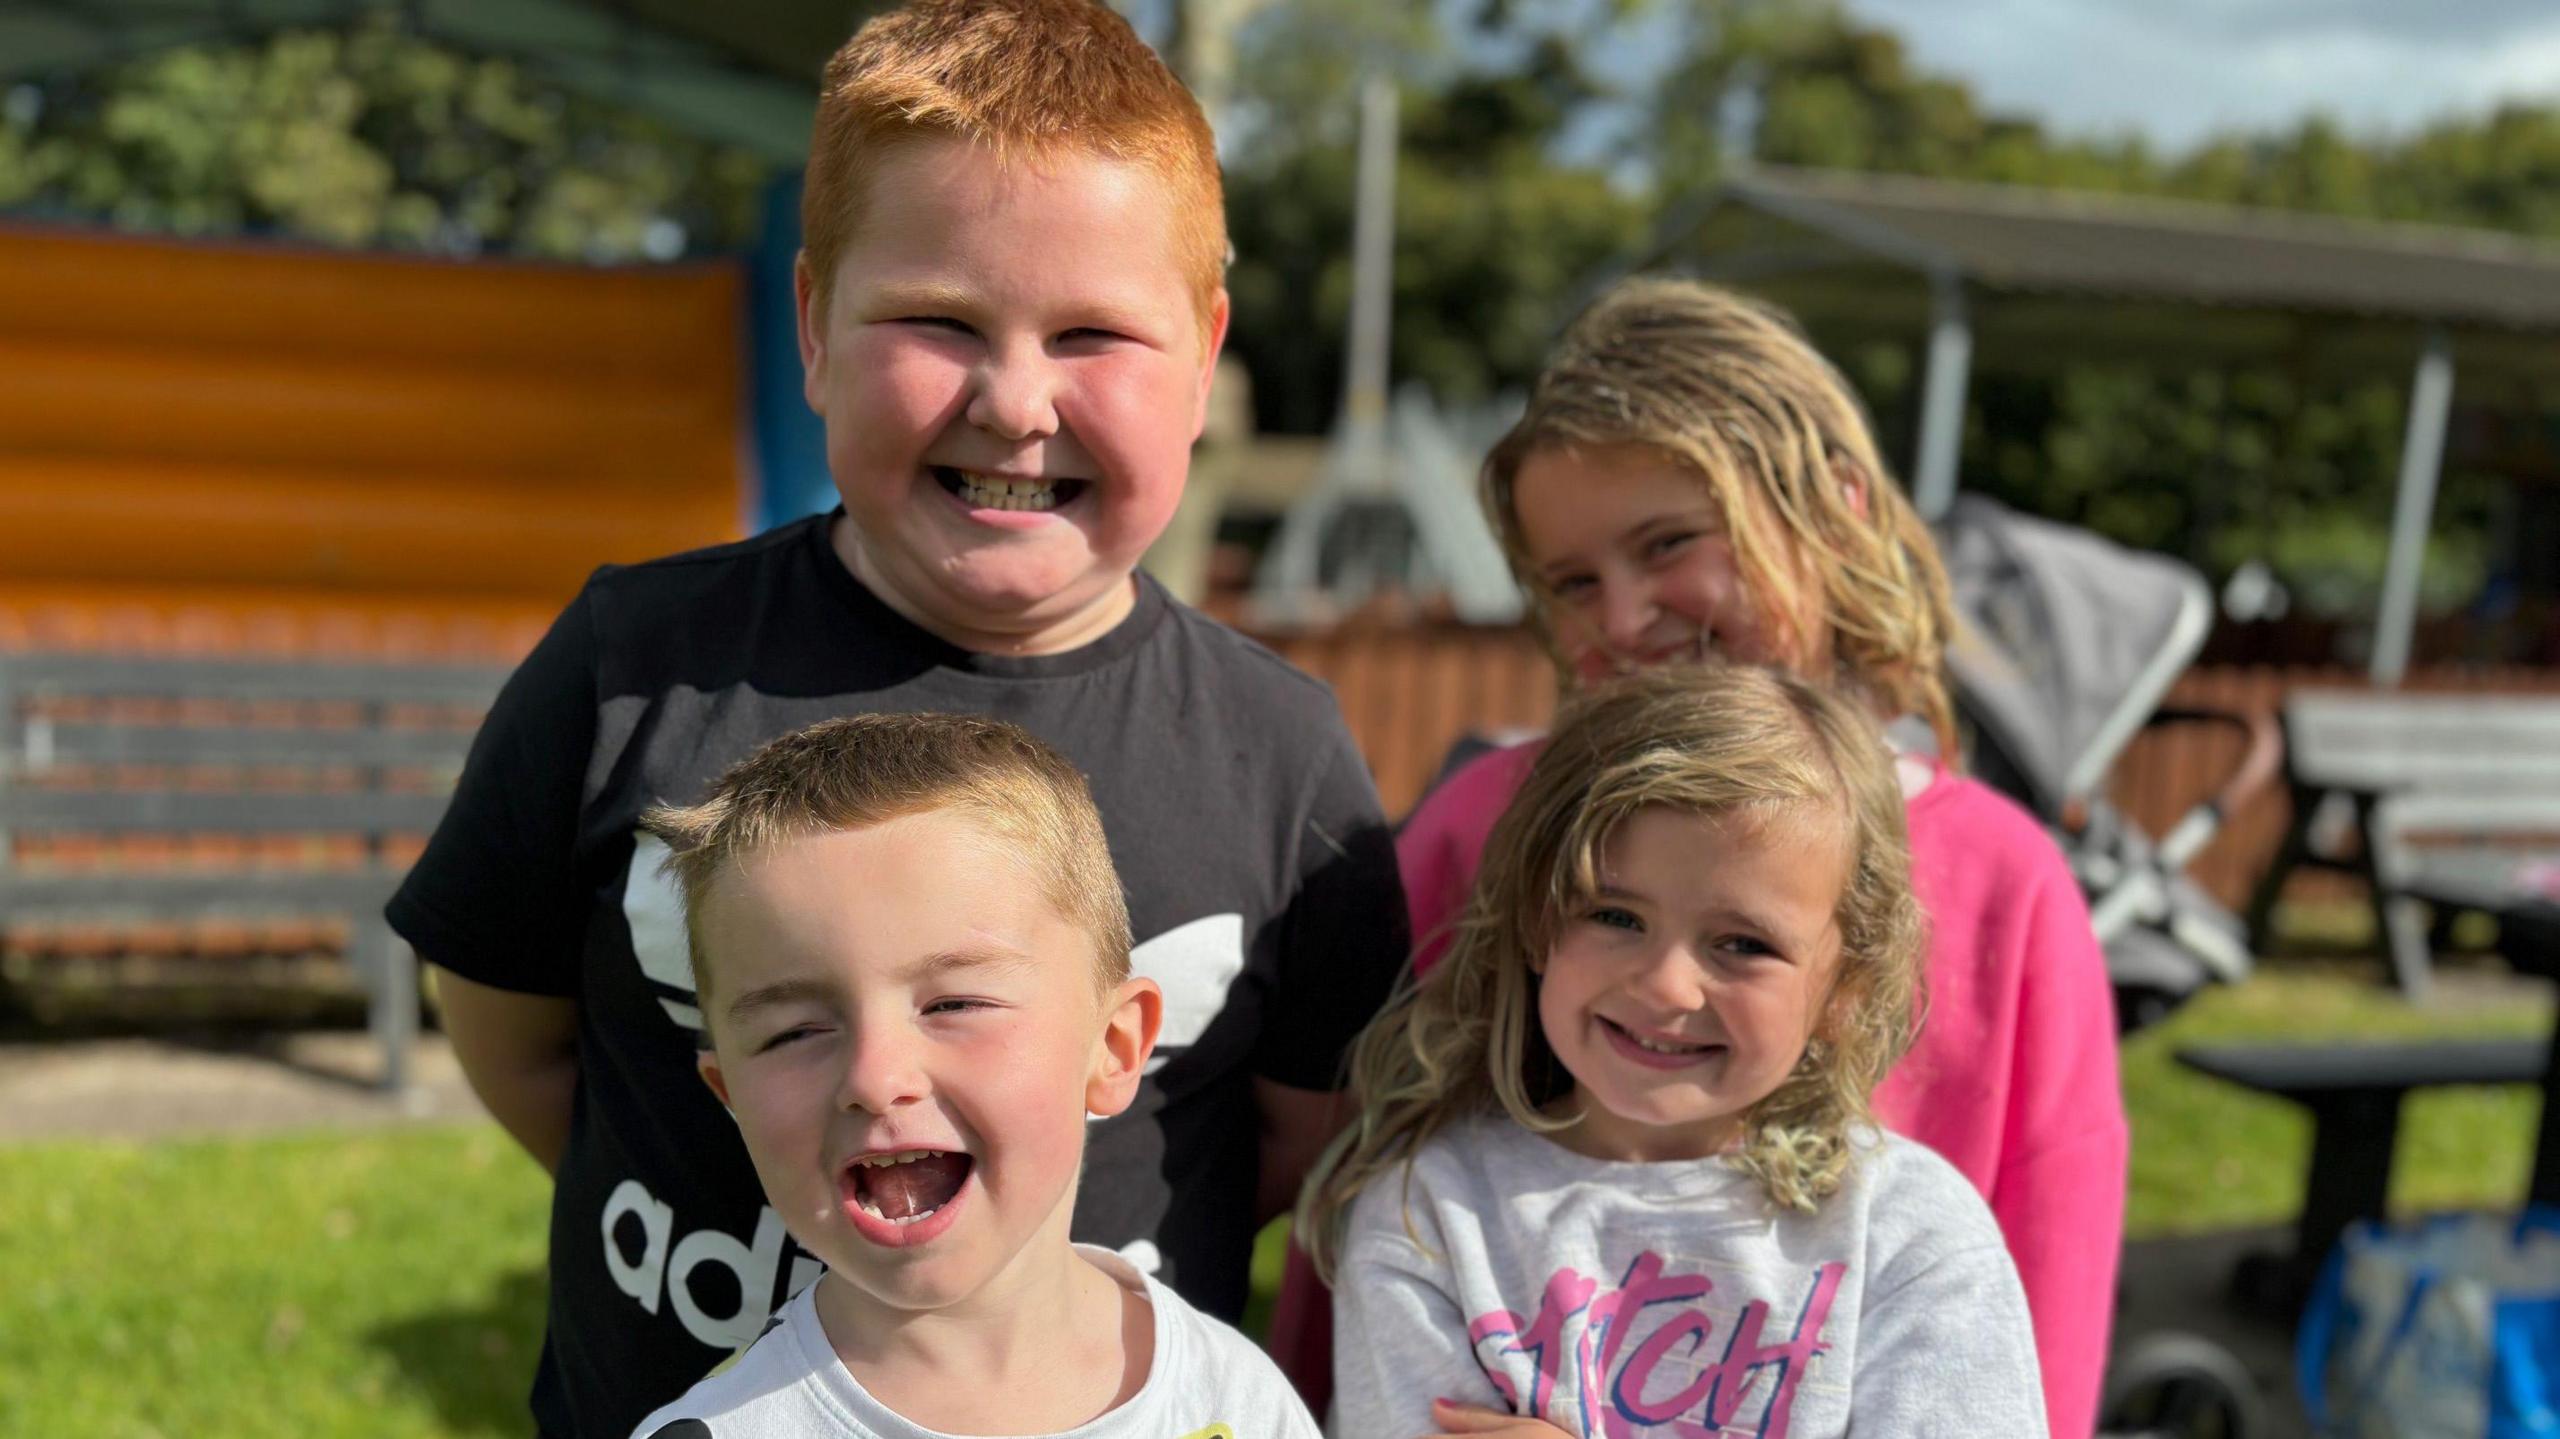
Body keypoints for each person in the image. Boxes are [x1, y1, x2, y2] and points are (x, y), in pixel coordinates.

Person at [387, 4, 1406, 1433]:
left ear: (1204, 356)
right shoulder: (634, 663)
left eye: (1095, 334)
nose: (1016, 399)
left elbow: (1298, 1129)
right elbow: (513, 1027)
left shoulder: (1281, 759)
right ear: (813, 325)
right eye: (938, 321)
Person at [1381, 277, 2124, 1437]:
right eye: (1573, 582)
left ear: (1834, 509)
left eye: (1669, 542)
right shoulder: (1471, 829)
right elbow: (1361, 1253)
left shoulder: (2008, 883)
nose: (1622, 617)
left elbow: (2047, 1312)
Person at [1303, 667, 2048, 1438]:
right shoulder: (1429, 1214)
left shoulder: (1908, 1233)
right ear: (1535, 919)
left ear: (1844, 991)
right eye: (1616, 916)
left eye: (1742, 943)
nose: (1666, 987)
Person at [627, 714, 1321, 1439]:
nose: (875, 1075)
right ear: (730, 1097)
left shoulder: (1233, 1400)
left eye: (954, 1002)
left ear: (1114, 1046)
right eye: (794, 1030)